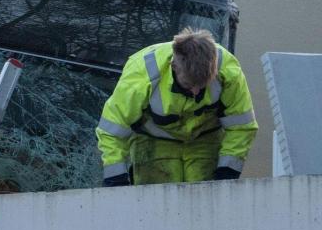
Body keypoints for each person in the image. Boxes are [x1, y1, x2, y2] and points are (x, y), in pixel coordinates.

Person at [96, 28, 258, 186]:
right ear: (174, 66)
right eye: (188, 84)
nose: (195, 91)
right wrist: (116, 177)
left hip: (205, 142)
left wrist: (227, 170)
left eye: (202, 85)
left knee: (203, 203)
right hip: (153, 144)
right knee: (156, 203)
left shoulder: (229, 72)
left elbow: (241, 127)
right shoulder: (142, 73)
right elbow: (112, 131)